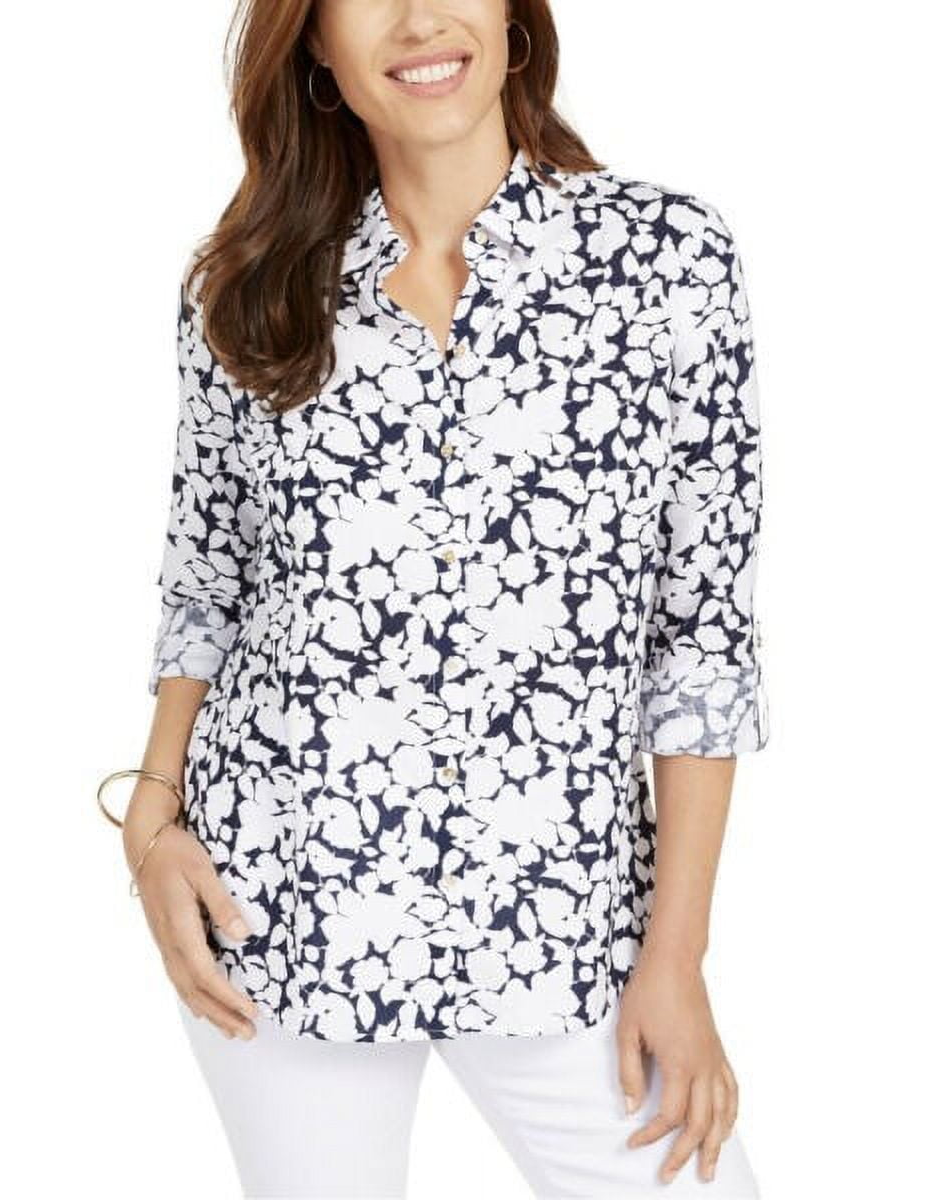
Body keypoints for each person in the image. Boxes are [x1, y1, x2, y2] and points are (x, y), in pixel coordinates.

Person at [105, 2, 770, 1195]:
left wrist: (677, 958)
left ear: (515, 16)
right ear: (314, 40)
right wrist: (150, 825)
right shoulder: (247, 286)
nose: (420, 19)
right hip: (283, 910)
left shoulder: (666, 261)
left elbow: (702, 636)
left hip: (569, 929)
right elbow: (207, 576)